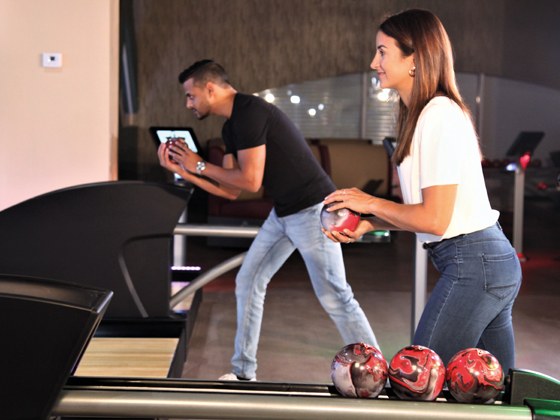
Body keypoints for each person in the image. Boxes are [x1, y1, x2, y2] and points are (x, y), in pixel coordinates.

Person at [323, 9, 522, 373]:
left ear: (414, 58)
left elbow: (434, 219)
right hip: (485, 262)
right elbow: (430, 215)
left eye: (382, 52)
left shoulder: (439, 114)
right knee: (497, 392)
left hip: (474, 264)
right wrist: (372, 222)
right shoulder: (423, 115)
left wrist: (370, 202)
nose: (373, 63)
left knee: (417, 379)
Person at [158, 59, 378, 381]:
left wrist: (200, 165)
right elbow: (232, 190)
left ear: (210, 89)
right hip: (284, 213)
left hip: (313, 210)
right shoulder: (231, 126)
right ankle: (243, 373)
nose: (188, 104)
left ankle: (377, 374)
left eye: (191, 96)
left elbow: (251, 180)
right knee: (248, 281)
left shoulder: (250, 112)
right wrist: (185, 170)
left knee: (335, 296)